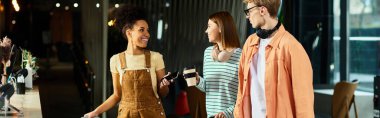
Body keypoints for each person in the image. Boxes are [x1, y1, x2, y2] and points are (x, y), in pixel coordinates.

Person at [84, 5, 171, 118]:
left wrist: (164, 86)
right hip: (126, 115)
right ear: (129, 33)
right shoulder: (116, 60)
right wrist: (95, 112)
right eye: (141, 30)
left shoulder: (156, 57)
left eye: (147, 30)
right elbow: (116, 95)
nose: (147, 34)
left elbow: (163, 94)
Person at [234, 0, 314, 117]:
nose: (247, 16)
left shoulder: (292, 48)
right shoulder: (249, 43)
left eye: (249, 11)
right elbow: (241, 90)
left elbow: (304, 103)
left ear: (262, 10)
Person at [195, 11, 241, 118]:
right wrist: (198, 81)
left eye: (209, 26)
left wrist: (227, 113)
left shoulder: (241, 56)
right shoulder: (207, 53)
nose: (206, 31)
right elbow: (209, 87)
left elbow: (244, 94)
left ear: (220, 28)